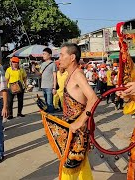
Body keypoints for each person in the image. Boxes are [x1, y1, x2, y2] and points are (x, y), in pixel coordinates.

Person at [58, 43, 97, 179]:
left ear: (72, 57)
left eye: (62, 55)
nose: (59, 58)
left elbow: (93, 98)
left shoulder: (78, 75)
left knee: (71, 167)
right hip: (71, 130)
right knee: (79, 167)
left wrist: (80, 122)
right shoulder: (70, 75)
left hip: (77, 132)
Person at [33, 48, 57, 113]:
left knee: (50, 104)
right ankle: (47, 117)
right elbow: (39, 74)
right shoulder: (43, 64)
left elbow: (55, 76)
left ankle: (51, 117)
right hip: (43, 86)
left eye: (44, 54)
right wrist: (34, 70)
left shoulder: (53, 64)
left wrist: (54, 87)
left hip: (50, 86)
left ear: (50, 55)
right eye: (43, 54)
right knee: (46, 104)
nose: (43, 55)